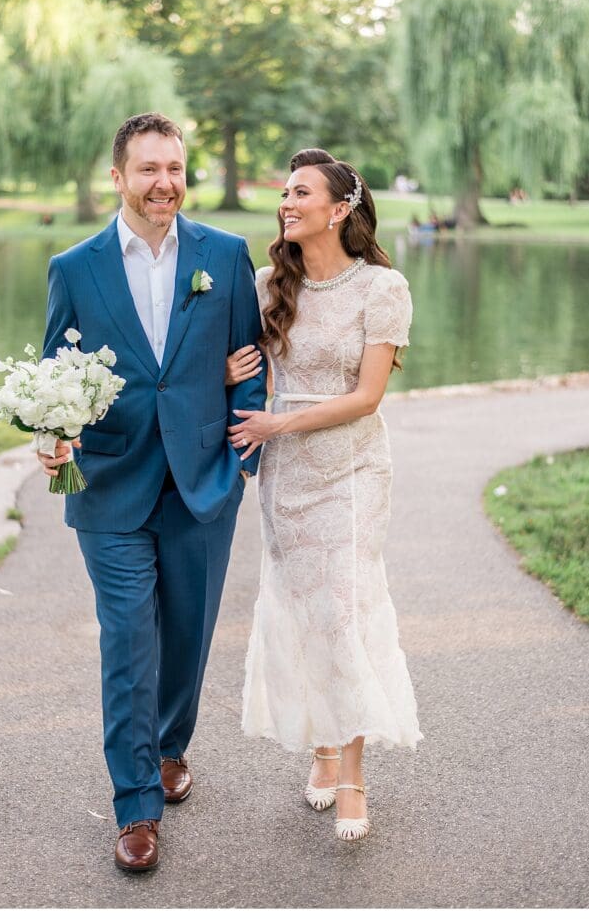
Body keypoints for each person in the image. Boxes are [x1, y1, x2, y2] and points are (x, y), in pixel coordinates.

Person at [37, 112, 266, 871]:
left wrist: (240, 461)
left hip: (203, 479)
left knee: (187, 636)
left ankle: (170, 745)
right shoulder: (75, 267)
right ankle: (135, 805)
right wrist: (52, 437)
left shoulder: (225, 256)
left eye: (174, 168)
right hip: (109, 483)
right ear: (118, 176)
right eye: (148, 169)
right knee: (128, 638)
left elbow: (249, 358)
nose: (164, 183)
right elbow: (53, 378)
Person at [225, 149, 422, 841]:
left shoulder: (381, 290)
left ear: (339, 210)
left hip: (352, 472)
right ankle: (322, 746)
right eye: (285, 190)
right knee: (303, 608)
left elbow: (367, 399)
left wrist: (280, 419)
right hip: (287, 479)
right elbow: (237, 372)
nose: (287, 200)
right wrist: (228, 372)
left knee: (344, 608)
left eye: (301, 191)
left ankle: (353, 778)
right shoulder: (263, 284)